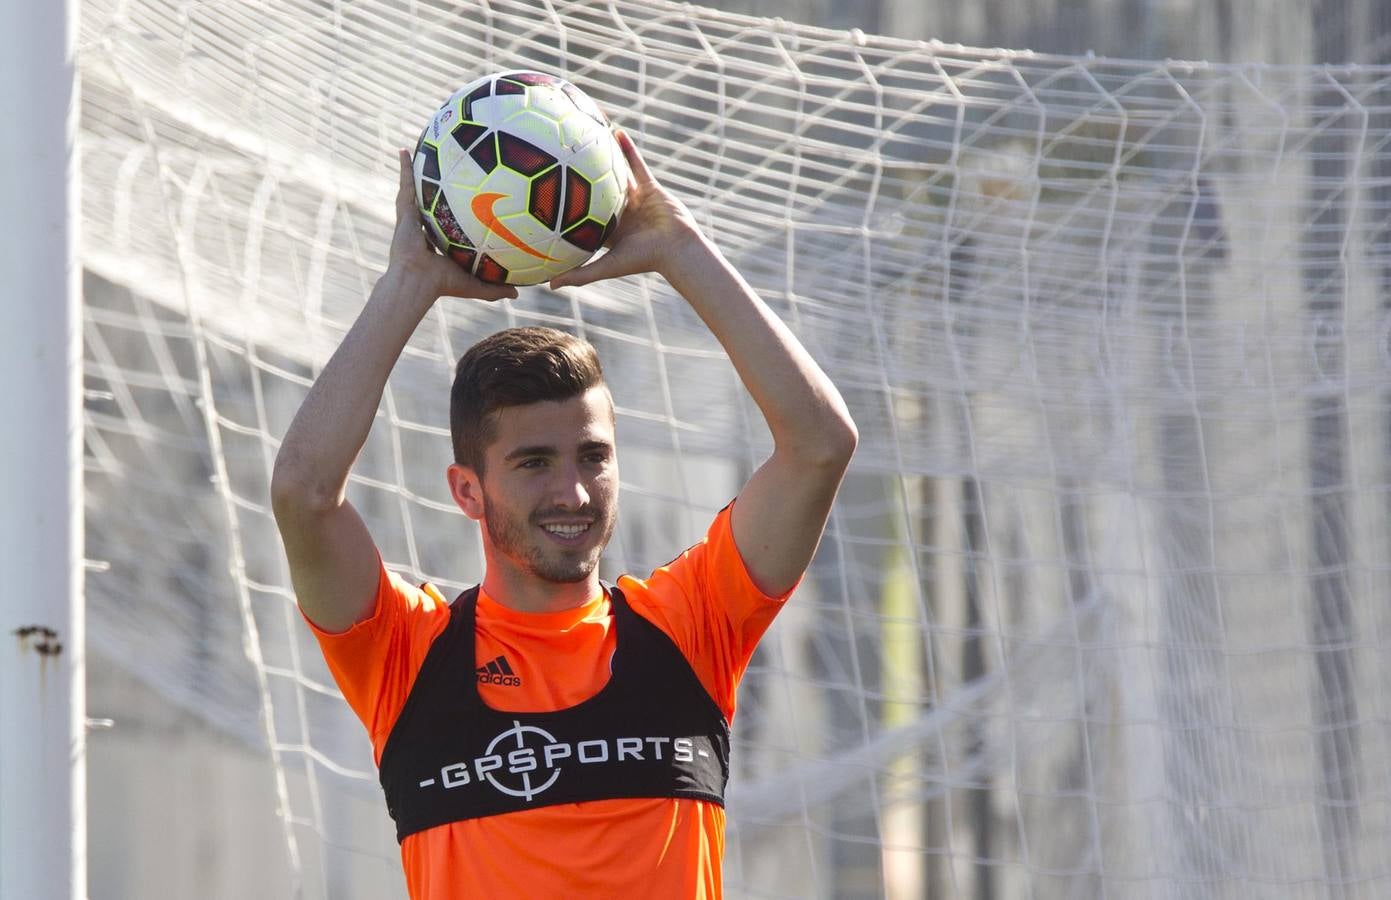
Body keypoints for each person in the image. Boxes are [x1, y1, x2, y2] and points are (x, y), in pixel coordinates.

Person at [270, 129, 858, 899]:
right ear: (466, 490)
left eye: (592, 456)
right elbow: (305, 494)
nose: (574, 493)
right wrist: (408, 282)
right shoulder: (406, 657)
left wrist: (679, 249)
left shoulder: (690, 625)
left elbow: (818, 444)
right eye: (533, 463)